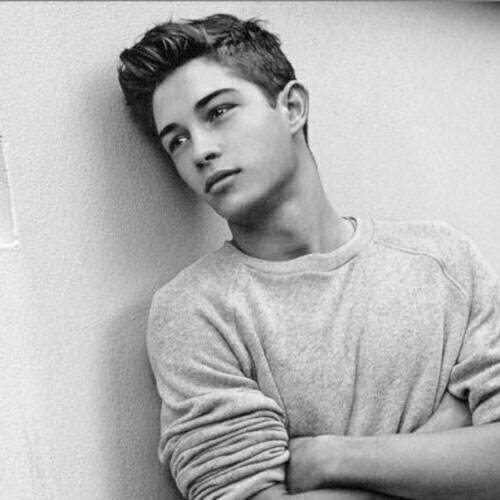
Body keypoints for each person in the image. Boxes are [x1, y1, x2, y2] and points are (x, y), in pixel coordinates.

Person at [117, 13, 500, 500]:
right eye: (178, 140)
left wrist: (331, 458)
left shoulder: (442, 260)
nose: (201, 151)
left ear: (292, 107)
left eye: (218, 112)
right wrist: (448, 436)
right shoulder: (196, 310)